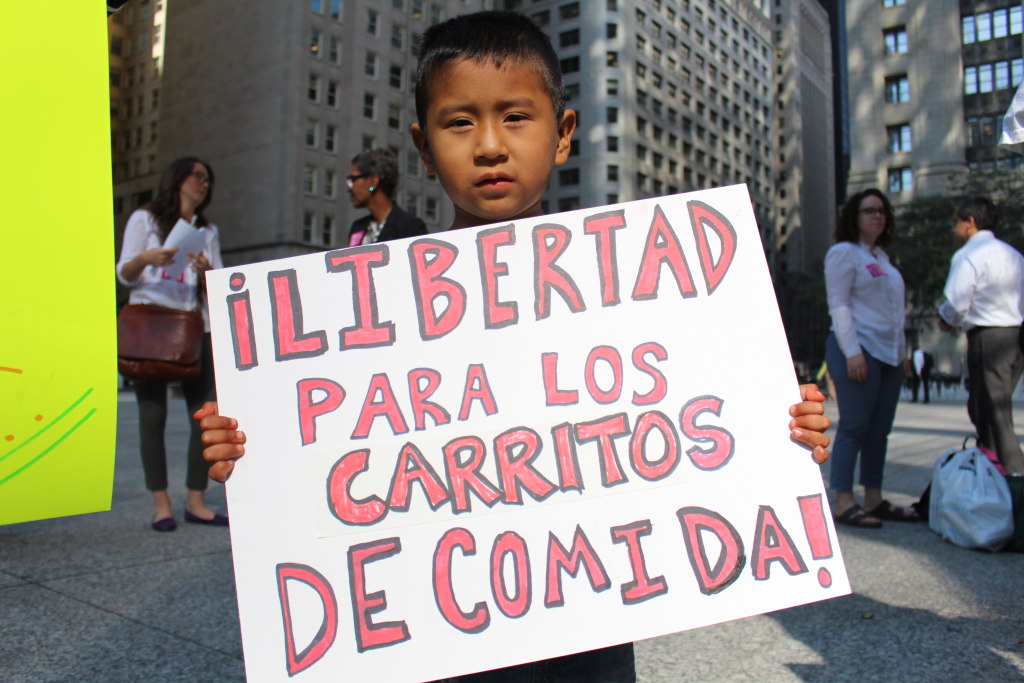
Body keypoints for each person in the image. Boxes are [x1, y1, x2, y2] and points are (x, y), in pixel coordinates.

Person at [195, 11, 831, 682]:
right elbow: (331, 452)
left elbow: (690, 421)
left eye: (516, 117)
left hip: (587, 620)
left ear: (561, 136)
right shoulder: (378, 311)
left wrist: (781, 432)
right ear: (422, 144)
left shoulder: (625, 291)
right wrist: (251, 449)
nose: (490, 145)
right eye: (460, 122)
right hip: (437, 630)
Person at [116, 156, 228, 531]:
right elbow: (125, 273)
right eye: (198, 176)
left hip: (193, 326)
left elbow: (218, 283)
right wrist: (147, 257)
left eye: (208, 179)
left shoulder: (207, 230)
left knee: (204, 415)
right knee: (152, 417)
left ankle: (195, 502)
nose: (204, 184)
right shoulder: (144, 219)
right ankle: (161, 504)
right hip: (150, 321)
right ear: (177, 178)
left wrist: (207, 273)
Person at [824, 188, 918, 528]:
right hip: (857, 350)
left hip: (889, 355)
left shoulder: (883, 260)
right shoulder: (843, 253)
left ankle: (874, 498)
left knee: (879, 431)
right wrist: (852, 352)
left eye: (882, 211)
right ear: (854, 216)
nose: (877, 216)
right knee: (854, 426)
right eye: (869, 211)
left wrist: (902, 355)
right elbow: (839, 304)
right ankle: (843, 500)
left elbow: (893, 313)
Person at [938, 197, 1024, 474]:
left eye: (956, 222)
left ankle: (1014, 476)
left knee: (993, 412)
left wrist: (945, 320)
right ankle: (992, 469)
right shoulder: (1013, 254)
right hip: (1016, 336)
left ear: (970, 222)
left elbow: (956, 302)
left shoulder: (969, 255)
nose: (954, 229)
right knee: (986, 409)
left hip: (989, 339)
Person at [345, 148, 427, 246]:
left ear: (373, 182)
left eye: (352, 180)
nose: (349, 188)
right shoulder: (358, 227)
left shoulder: (410, 227)